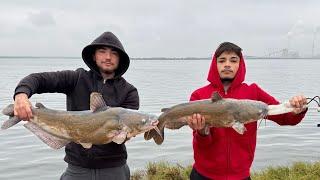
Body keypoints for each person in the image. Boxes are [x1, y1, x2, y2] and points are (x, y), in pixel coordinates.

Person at [13, 31, 139, 180]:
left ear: (120, 58)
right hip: (77, 168)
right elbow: (38, 79)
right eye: (102, 51)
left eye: (114, 53)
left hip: (113, 169)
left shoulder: (129, 91)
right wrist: (21, 94)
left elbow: (128, 130)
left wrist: (126, 135)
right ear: (94, 55)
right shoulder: (76, 78)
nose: (108, 57)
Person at [186, 42, 307, 180]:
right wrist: (202, 131)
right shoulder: (199, 96)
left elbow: (284, 117)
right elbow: (203, 145)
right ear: (215, 64)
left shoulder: (254, 92)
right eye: (222, 60)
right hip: (204, 175)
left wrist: (296, 109)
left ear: (240, 64)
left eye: (233, 60)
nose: (227, 64)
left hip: (240, 176)